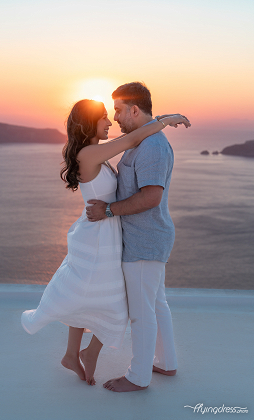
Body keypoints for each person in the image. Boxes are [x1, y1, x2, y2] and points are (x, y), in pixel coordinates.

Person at [21, 98, 189, 386]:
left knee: (94, 293)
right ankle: (84, 354)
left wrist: (158, 119)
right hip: (99, 236)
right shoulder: (89, 153)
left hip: (106, 233)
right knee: (107, 297)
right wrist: (165, 119)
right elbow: (134, 137)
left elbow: (134, 137)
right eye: (103, 118)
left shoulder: (94, 152)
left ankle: (77, 354)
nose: (110, 122)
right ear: (89, 123)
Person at [86, 82, 191, 392]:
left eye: (118, 110)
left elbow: (150, 198)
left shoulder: (153, 147)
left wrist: (107, 210)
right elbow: (128, 140)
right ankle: (167, 362)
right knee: (157, 304)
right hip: (147, 239)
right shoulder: (142, 141)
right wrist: (163, 119)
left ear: (134, 109)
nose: (115, 116)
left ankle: (138, 376)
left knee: (142, 313)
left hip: (145, 240)